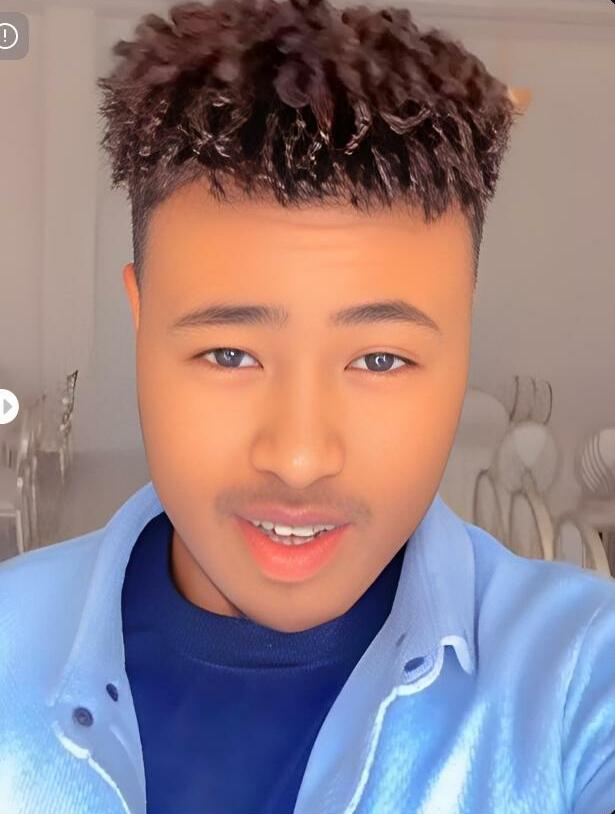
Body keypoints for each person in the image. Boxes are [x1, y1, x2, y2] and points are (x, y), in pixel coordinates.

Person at [1, 1, 614, 812]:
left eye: (379, 359)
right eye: (229, 354)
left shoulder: (580, 680)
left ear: (462, 338)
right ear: (140, 320)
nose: (297, 459)